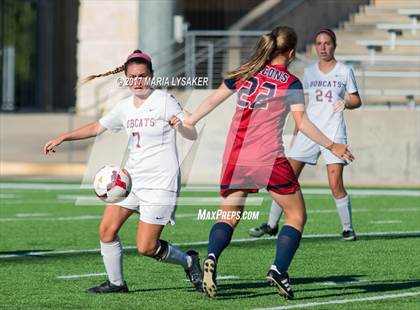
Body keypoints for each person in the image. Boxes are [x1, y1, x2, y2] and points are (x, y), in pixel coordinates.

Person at [183, 26, 354, 299]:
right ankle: (278, 270)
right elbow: (303, 123)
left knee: (228, 216)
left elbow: (213, 100)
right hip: (268, 157)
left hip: (236, 156)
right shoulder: (291, 82)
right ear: (291, 52)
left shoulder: (246, 71)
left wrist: (189, 120)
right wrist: (332, 145)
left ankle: (212, 255)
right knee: (297, 216)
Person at [44, 50, 203, 293]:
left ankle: (189, 261)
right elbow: (98, 126)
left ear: (151, 76)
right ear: (126, 77)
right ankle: (116, 283)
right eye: (132, 76)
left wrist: (181, 126)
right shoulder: (124, 106)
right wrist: (64, 137)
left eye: (142, 76)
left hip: (160, 183)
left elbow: (192, 132)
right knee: (106, 230)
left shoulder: (164, 101)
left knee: (147, 247)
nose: (137, 81)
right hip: (130, 181)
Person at [249, 28, 362, 241]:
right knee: (286, 178)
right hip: (309, 131)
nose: (322, 47)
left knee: (335, 183)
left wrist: (346, 102)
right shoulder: (309, 72)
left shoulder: (345, 70)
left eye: (327, 43)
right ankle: (272, 225)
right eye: (319, 43)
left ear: (334, 45)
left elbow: (357, 100)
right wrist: (295, 133)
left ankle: (348, 228)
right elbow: (303, 106)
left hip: (334, 131)